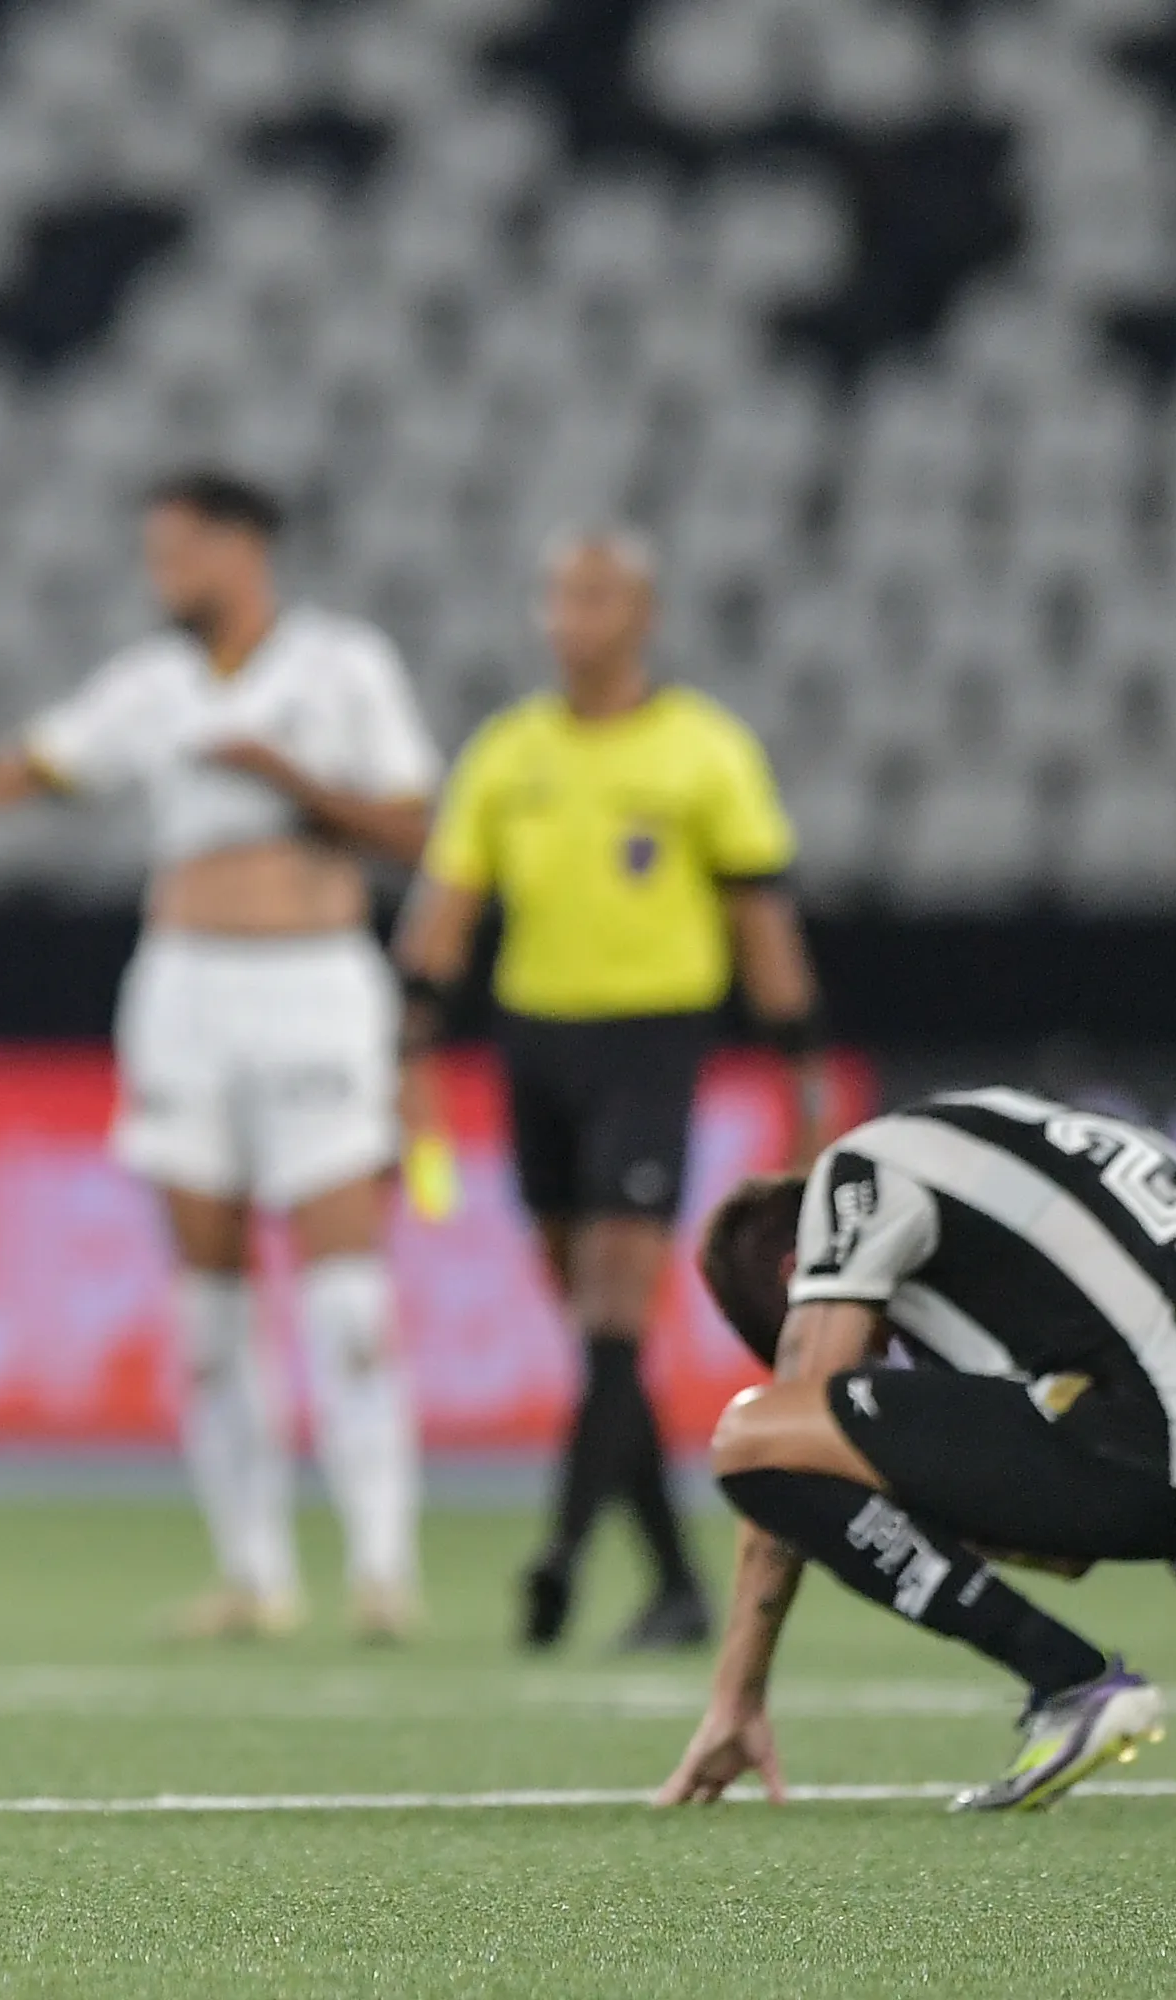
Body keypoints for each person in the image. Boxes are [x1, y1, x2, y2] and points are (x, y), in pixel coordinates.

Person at [0, 470, 438, 1641]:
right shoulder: (152, 684)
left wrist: (290, 779)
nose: (161, 575)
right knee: (211, 1301)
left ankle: (382, 1567)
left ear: (242, 546)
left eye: (178, 553)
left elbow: (421, 829)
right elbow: (26, 771)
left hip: (315, 985)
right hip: (187, 993)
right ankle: (257, 1574)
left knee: (347, 1294)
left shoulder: (341, 667)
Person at [659, 1087, 1176, 1811]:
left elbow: (790, 1427)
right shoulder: (1017, 1145)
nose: (884, 1351)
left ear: (797, 1275)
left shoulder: (858, 1175)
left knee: (756, 1435)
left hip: (1172, 1444)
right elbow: (1056, 1535)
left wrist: (737, 1696)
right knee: (1153, 1408)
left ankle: (1069, 1683)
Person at [393, 532, 826, 1655]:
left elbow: (761, 923)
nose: (568, 617)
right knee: (595, 1333)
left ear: (641, 614)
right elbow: (442, 912)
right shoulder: (509, 750)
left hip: (649, 1044)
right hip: (534, 1045)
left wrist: (805, 1083)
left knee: (614, 1313)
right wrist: (413, 1050)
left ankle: (563, 1552)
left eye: (593, 596)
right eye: (558, 596)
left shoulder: (702, 751)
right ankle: (677, 1580)